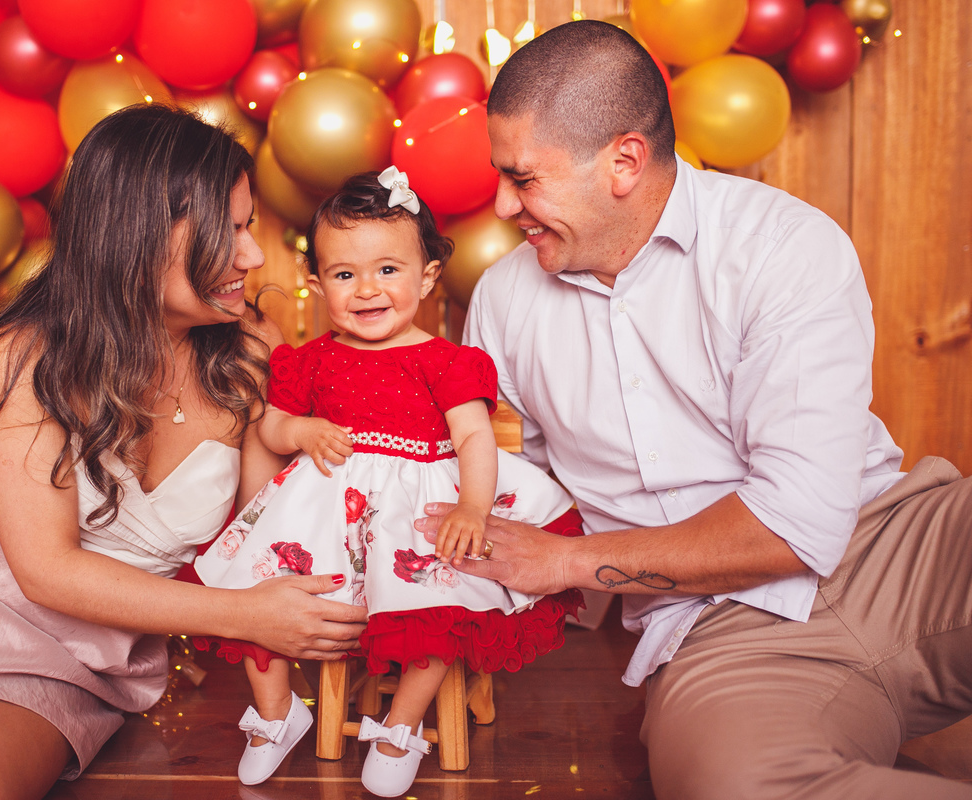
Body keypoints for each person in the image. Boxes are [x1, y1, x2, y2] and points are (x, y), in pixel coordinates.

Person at [415, 20, 972, 800]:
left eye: (525, 178)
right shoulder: (505, 303)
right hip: (718, 630)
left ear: (624, 161)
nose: (504, 204)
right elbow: (516, 491)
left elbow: (798, 522)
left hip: (902, 544)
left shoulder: (781, 244)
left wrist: (563, 562)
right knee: (734, 786)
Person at [0, 105, 367, 800]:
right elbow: (46, 570)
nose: (253, 256)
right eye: (228, 230)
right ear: (145, 233)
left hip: (78, 650)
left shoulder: (247, 357)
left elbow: (266, 525)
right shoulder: (24, 352)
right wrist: (247, 616)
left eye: (248, 227)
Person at [193, 168, 582, 797]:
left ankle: (400, 724)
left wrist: (473, 508)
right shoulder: (310, 358)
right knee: (251, 588)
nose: (367, 290)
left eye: (388, 271)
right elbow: (271, 427)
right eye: (345, 275)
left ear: (427, 277)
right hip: (325, 506)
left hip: (415, 507)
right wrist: (302, 434)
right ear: (317, 285)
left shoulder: (447, 362)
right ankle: (276, 712)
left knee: (434, 605)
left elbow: (475, 439)